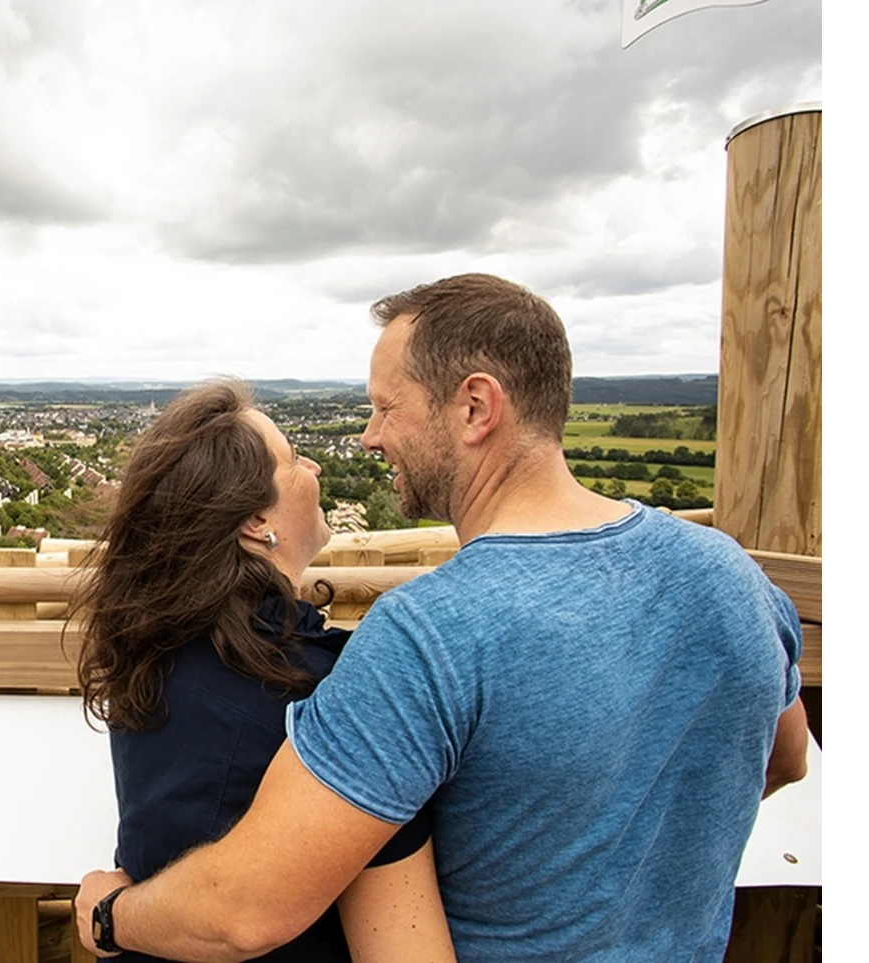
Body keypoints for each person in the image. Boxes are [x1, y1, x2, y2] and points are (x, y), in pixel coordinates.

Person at [75, 274, 810, 962]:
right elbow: (783, 757)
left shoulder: (428, 637)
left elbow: (248, 906)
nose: (367, 436)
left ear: (474, 407)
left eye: (386, 406)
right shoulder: (733, 575)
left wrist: (113, 916)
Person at [71, 379, 455, 962]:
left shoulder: (147, 654)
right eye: (294, 458)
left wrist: (111, 918)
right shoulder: (322, 693)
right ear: (255, 518)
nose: (316, 465)